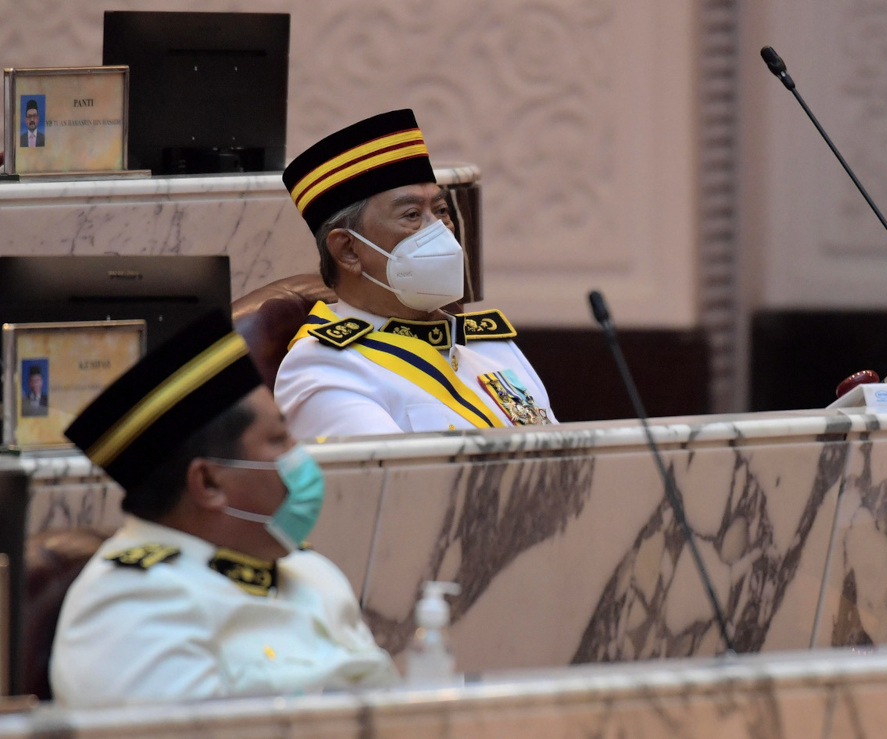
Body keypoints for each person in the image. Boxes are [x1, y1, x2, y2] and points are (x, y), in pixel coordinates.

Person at [51, 311, 396, 709]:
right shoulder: (130, 609)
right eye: (280, 440)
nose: (302, 459)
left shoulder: (310, 571)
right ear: (208, 483)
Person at [275, 109, 555, 438]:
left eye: (441, 211)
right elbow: (400, 487)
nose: (439, 231)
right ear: (348, 250)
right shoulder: (325, 368)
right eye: (411, 215)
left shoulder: (491, 347)